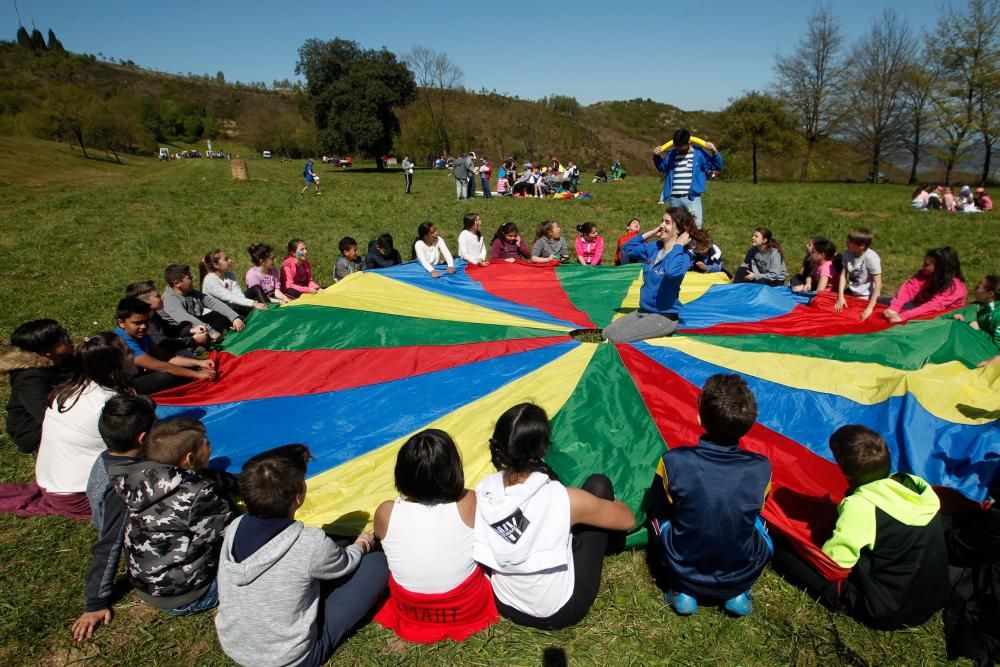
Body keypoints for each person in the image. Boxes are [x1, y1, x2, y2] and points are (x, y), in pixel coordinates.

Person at [215, 444, 388, 667]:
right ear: (298, 498)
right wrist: (362, 544)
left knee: (336, 547)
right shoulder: (309, 542)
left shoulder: (234, 527)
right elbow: (346, 563)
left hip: (235, 644)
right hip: (291, 659)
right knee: (376, 564)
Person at [473, 403, 635, 629]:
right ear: (542, 448)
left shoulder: (483, 492)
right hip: (560, 610)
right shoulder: (564, 499)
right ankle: (608, 546)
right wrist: (603, 505)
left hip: (506, 603)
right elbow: (628, 519)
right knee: (599, 484)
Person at [771, 425, 948, 630]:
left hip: (889, 609)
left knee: (783, 551)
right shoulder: (912, 484)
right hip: (933, 594)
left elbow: (833, 564)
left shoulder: (861, 507)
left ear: (846, 473)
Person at [650, 374, 772, 616]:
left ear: (699, 418)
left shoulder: (673, 461)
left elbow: (659, 506)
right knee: (762, 525)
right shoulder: (762, 467)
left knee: (657, 519)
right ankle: (737, 593)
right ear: (749, 425)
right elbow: (756, 509)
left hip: (682, 567)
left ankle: (682, 592)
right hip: (741, 570)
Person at [374, 430, 498, 642]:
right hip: (465, 607)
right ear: (453, 470)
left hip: (410, 608)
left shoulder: (386, 511)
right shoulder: (468, 502)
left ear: (401, 474)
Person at [0, 333, 131, 520]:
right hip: (78, 495)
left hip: (55, 484)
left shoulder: (71, 389)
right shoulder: (109, 405)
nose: (134, 354)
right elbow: (137, 452)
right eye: (128, 352)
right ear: (115, 365)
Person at [114, 417, 234, 616]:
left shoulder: (137, 479)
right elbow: (230, 536)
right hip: (187, 595)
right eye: (207, 444)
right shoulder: (198, 494)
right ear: (189, 459)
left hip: (147, 584)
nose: (211, 448)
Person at [71, 394, 157, 641]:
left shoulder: (107, 457)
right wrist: (95, 602)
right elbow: (108, 544)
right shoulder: (124, 485)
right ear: (143, 438)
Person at [601, 209, 704, 344]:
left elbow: (671, 272)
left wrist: (678, 245)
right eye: (661, 221)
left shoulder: (683, 256)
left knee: (615, 339)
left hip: (664, 317)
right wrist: (651, 233)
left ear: (678, 229)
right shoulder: (655, 248)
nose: (662, 225)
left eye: (667, 222)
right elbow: (626, 248)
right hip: (643, 311)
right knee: (606, 333)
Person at [1, 319, 73, 455]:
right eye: (63, 338)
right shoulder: (29, 379)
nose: (69, 338)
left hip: (63, 413)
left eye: (65, 333)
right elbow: (44, 414)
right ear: (46, 351)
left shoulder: (63, 359)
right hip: (35, 430)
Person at [115, 298, 215, 395]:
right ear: (121, 323)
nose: (144, 326)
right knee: (168, 375)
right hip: (125, 388)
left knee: (177, 368)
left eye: (146, 321)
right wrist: (196, 374)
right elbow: (162, 366)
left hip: (140, 376)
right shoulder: (121, 341)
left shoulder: (140, 335)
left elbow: (165, 357)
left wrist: (199, 363)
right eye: (137, 323)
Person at [653, 128, 723, 229]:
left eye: (682, 146)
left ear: (689, 141)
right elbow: (662, 167)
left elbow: (716, 165)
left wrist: (715, 152)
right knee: (676, 228)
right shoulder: (672, 153)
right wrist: (656, 156)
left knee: (696, 227)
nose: (679, 148)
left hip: (692, 197)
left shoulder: (699, 153)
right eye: (677, 146)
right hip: (674, 198)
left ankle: (696, 244)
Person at [883, 247, 967, 323]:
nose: (923, 266)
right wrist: (894, 307)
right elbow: (909, 288)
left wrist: (904, 316)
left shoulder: (955, 288)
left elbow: (933, 306)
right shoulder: (924, 274)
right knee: (881, 303)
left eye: (927, 264)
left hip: (939, 317)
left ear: (939, 267)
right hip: (918, 306)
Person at [125, 281, 211, 354]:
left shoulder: (153, 314)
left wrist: (190, 330)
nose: (162, 297)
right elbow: (163, 344)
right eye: (157, 296)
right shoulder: (145, 324)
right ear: (145, 302)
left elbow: (169, 329)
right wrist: (193, 340)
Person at [161, 264, 245, 339]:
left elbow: (212, 302)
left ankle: (231, 325)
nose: (193, 278)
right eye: (189, 278)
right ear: (177, 283)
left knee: (219, 315)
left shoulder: (189, 292)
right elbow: (186, 319)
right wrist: (211, 332)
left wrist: (234, 318)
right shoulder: (170, 300)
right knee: (201, 337)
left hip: (198, 322)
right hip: (184, 332)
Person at [199, 249, 269, 318]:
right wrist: (253, 303)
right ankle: (257, 315)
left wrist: (248, 303)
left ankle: (269, 309)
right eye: (226, 259)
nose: (230, 260)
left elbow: (238, 294)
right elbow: (228, 297)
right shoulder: (210, 281)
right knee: (231, 306)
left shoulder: (231, 275)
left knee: (256, 288)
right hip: (216, 314)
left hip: (232, 304)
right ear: (216, 265)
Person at [835, 228, 882, 322]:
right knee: (835, 311)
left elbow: (878, 284)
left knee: (856, 319)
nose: (847, 243)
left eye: (850, 242)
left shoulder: (871, 258)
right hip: (852, 291)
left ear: (861, 246)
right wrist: (840, 297)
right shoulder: (847, 253)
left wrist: (869, 308)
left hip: (866, 295)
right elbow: (843, 275)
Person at [954, 275, 999, 348]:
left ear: (990, 294)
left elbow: (997, 346)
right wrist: (965, 323)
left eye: (978, 287)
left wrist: (978, 331)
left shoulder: (997, 315)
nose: (974, 289)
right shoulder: (984, 307)